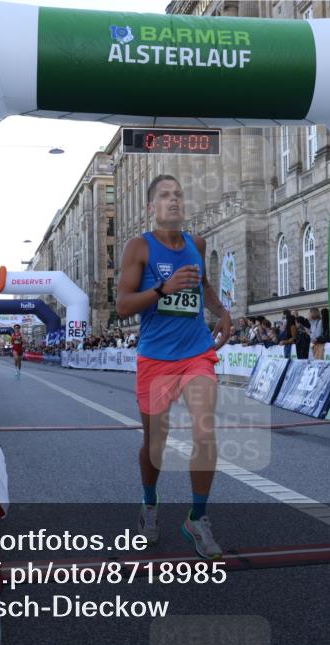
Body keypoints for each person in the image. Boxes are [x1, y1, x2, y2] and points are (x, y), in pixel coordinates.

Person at [116, 174, 231, 560]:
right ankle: (149, 504)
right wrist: (164, 289)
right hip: (156, 358)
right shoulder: (139, 248)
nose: (174, 201)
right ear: (151, 208)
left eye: (178, 195)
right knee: (155, 446)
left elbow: (205, 287)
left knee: (205, 429)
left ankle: (196, 518)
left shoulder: (196, 243)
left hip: (197, 352)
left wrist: (222, 312)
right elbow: (123, 306)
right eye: (165, 196)